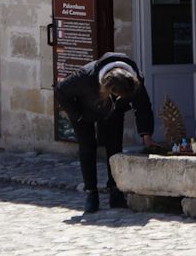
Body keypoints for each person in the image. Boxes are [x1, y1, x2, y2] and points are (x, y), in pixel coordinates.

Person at [54, 52, 155, 213]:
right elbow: (60, 91)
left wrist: (146, 134)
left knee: (114, 147)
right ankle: (91, 193)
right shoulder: (84, 77)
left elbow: (142, 106)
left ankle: (115, 192)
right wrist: (77, 115)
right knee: (88, 147)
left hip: (114, 111)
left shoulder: (134, 80)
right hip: (83, 110)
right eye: (116, 94)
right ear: (107, 88)